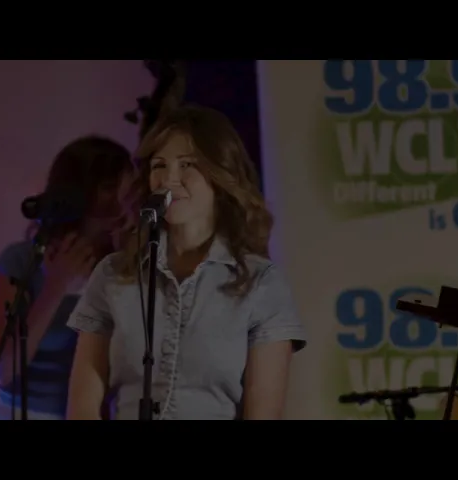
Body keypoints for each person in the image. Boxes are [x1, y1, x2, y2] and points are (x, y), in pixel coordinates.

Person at [66, 105, 307, 420]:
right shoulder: (113, 274)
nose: (169, 179)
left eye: (187, 165)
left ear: (220, 174)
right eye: (159, 165)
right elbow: (82, 408)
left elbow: (263, 414)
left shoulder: (261, 282)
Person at [0, 135, 136, 420]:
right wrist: (56, 287)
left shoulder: (126, 263)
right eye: (108, 188)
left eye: (126, 188)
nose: (119, 201)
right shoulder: (22, 261)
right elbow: (3, 368)